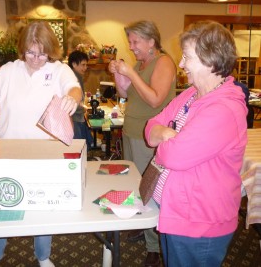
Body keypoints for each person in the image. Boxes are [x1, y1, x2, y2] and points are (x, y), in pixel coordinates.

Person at [0, 21, 82, 267]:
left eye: (42, 53)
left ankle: (43, 256)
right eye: (30, 52)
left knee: (42, 204)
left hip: (45, 152)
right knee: (1, 203)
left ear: (51, 50)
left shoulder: (59, 70)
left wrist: (71, 98)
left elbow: (74, 89)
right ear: (22, 49)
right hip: (8, 152)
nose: (36, 58)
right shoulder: (9, 71)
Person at [144, 20, 248, 267]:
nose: (180, 64)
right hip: (177, 213)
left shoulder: (224, 110)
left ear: (210, 60)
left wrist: (166, 137)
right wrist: (169, 135)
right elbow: (151, 128)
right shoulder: (191, 94)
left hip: (199, 223)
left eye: (187, 57)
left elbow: (173, 157)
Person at [108, 20, 176, 267]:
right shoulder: (141, 63)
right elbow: (126, 94)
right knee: (136, 185)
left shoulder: (164, 62)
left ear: (151, 41)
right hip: (131, 131)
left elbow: (156, 100)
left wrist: (131, 73)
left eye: (135, 41)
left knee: (150, 189)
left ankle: (154, 246)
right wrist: (119, 73)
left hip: (149, 137)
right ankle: (143, 227)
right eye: (130, 41)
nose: (131, 46)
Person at [68, 50, 94, 149]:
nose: (85, 68)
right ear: (74, 64)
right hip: (74, 119)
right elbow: (73, 103)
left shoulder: (77, 76)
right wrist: (84, 109)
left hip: (78, 118)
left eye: (86, 65)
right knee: (77, 149)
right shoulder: (72, 78)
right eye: (83, 65)